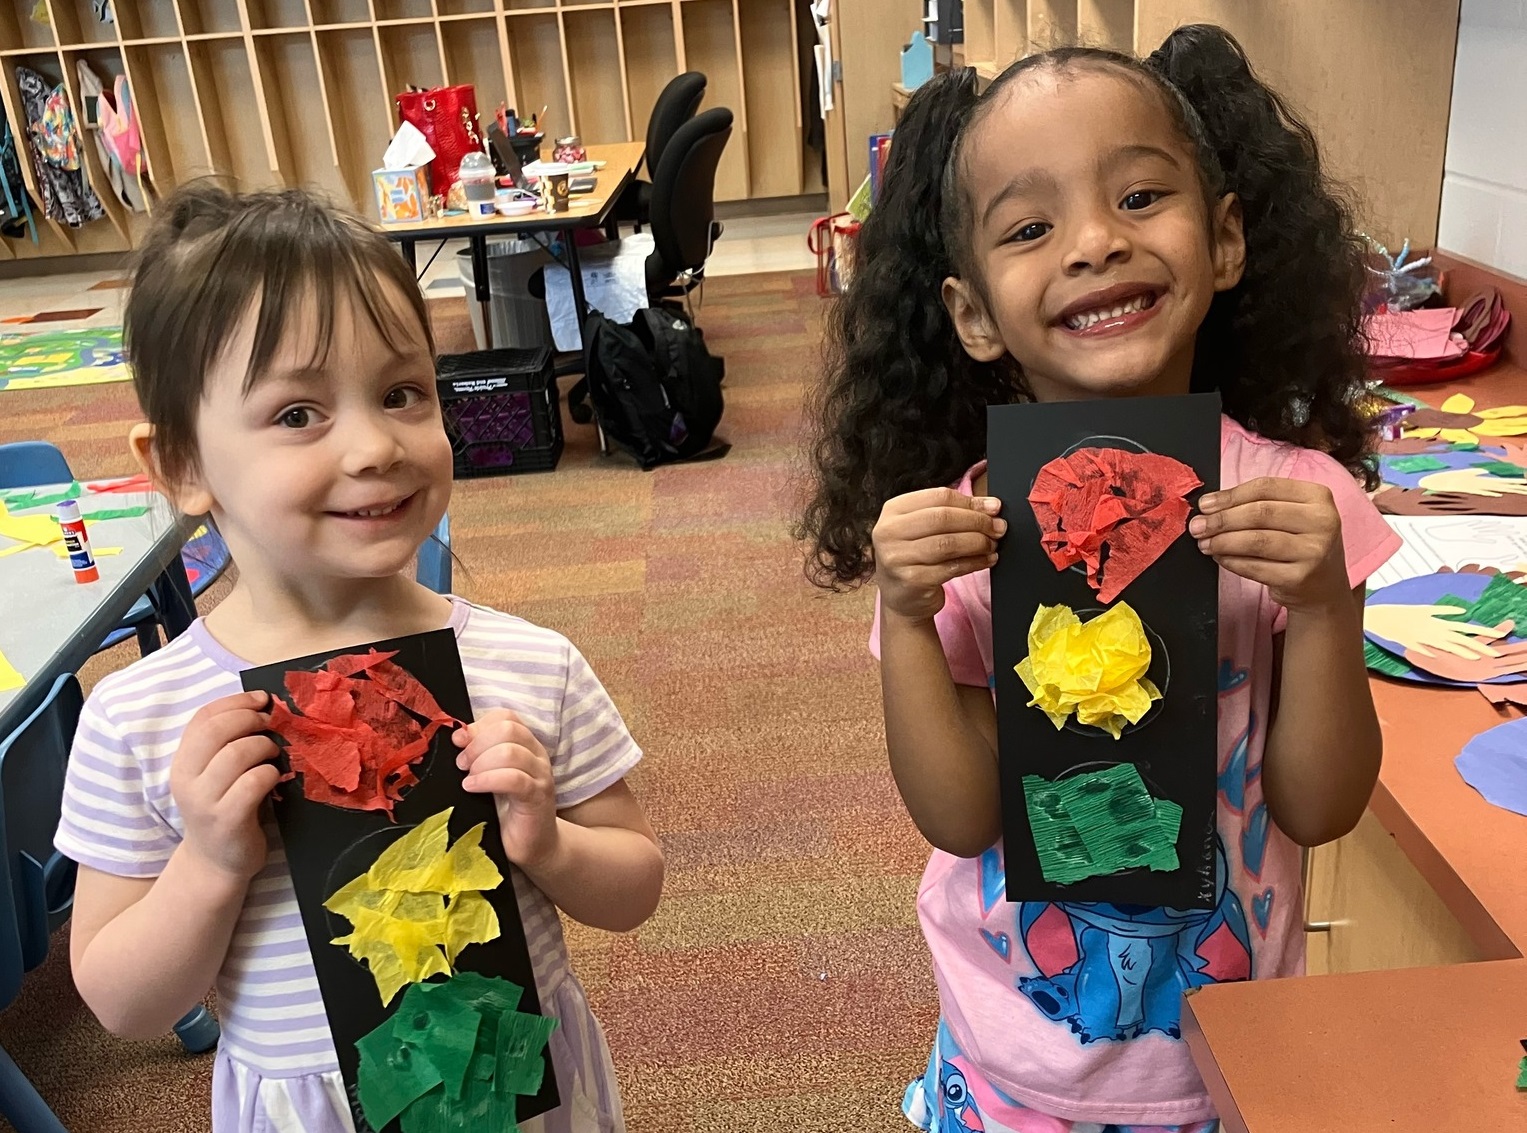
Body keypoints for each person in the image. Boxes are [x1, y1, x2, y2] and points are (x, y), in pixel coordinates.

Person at [799, 25, 1401, 1133]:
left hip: (1229, 1046)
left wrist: (1318, 604)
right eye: (1031, 226)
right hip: (1013, 1048)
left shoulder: (1300, 507)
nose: (1092, 244)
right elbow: (960, 810)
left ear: (1223, 241)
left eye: (1137, 198)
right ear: (972, 311)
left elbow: (1320, 806)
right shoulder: (975, 533)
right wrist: (908, 617)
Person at [55, 183, 664, 1133]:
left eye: (401, 392)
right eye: (297, 414)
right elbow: (123, 1002)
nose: (376, 444)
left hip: (514, 1092)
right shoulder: (141, 717)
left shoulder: (525, 662)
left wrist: (548, 843)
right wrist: (210, 862)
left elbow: (634, 886)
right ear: (183, 466)